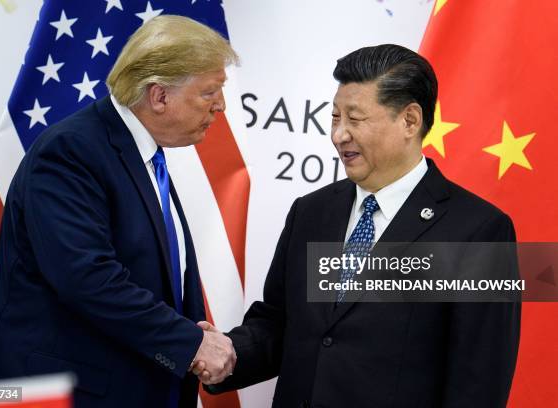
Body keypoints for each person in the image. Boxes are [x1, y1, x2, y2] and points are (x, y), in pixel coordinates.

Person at [200, 44, 521, 407]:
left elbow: (478, 383)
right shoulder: (311, 212)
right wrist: (226, 353)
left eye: (355, 119)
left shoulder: (479, 232)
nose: (339, 135)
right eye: (335, 117)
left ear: (410, 121)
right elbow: (279, 325)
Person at [0, 15, 237, 408]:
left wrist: (191, 337)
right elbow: (86, 277)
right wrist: (190, 343)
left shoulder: (141, 157)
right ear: (159, 96)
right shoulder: (72, 150)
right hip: (50, 395)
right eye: (210, 92)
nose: (220, 106)